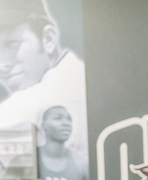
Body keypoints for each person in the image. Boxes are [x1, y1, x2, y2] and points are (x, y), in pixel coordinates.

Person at [0, 0, 88, 157]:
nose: (2, 64)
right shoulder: (80, 73)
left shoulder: (53, 93)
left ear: (48, 39)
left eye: (13, 44)